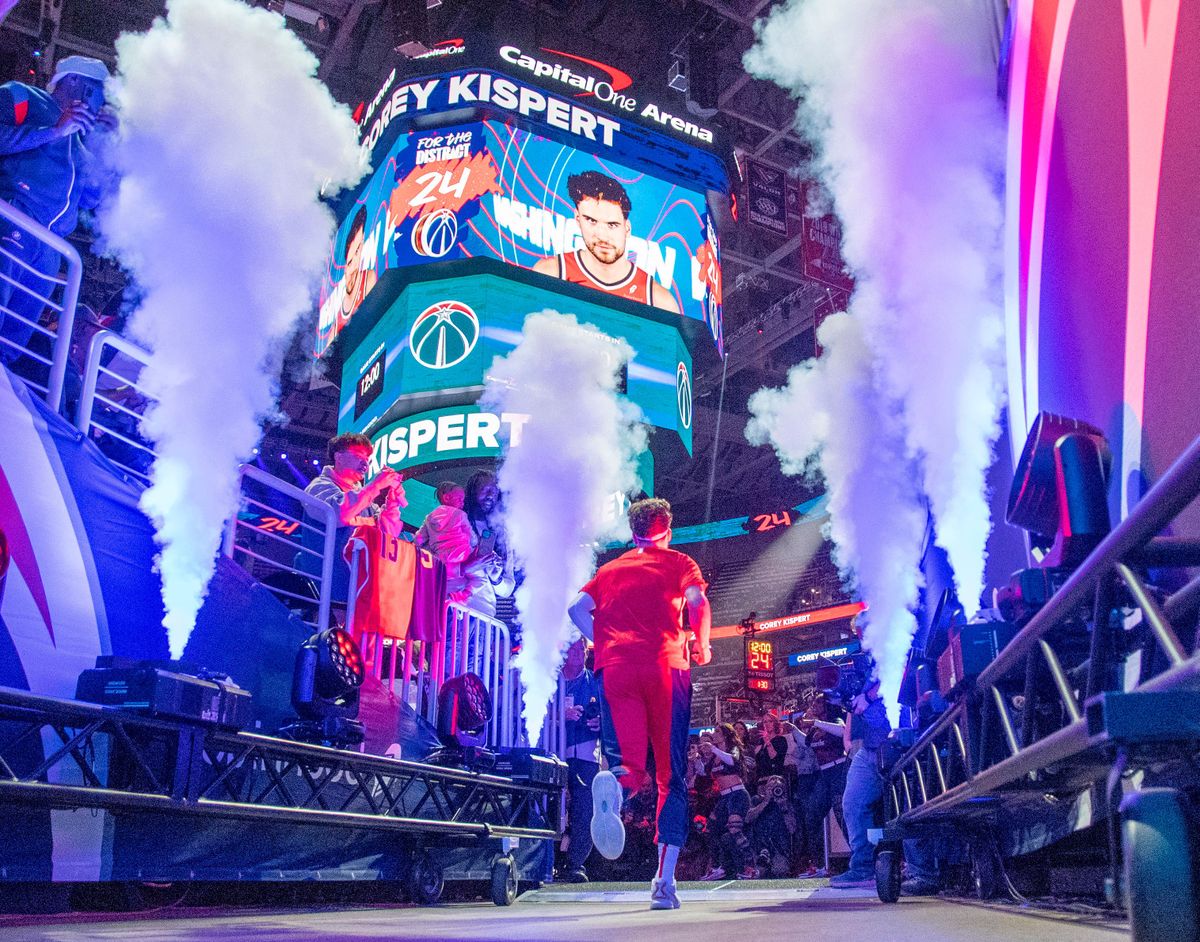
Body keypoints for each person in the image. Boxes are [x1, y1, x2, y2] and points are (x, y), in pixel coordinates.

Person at [567, 497, 712, 911]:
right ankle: (663, 885)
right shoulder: (681, 562)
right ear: (668, 528)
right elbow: (697, 603)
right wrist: (701, 644)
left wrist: (600, 640)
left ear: (633, 532)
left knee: (628, 765)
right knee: (670, 777)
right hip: (665, 669)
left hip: (615, 670)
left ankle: (616, 786)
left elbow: (577, 608)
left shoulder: (609, 569)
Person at [0, 55, 116, 366]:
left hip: (51, 248)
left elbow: (93, 199)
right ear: (75, 81)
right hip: (14, 220)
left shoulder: (80, 141)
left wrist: (103, 145)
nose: (102, 102)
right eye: (98, 91)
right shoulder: (23, 96)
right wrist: (53, 131)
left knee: (11, 343)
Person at [532, 171, 680, 314]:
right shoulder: (550, 273)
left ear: (627, 229)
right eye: (591, 221)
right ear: (578, 219)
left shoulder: (658, 301)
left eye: (612, 225)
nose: (602, 236)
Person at [300, 432, 404, 609]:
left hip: (358, 590)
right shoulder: (319, 487)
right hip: (325, 589)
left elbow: (388, 534)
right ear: (338, 457)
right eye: (358, 456)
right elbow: (340, 513)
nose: (365, 463)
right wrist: (376, 486)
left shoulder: (364, 498)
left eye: (367, 459)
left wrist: (393, 502)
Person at [828, 677, 891, 888]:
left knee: (908, 806)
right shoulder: (869, 662)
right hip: (870, 746)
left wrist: (869, 696)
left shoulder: (897, 645)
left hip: (899, 739)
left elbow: (901, 671)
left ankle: (922, 870)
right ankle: (863, 868)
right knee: (852, 803)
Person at [560, 637, 602, 883]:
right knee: (550, 805)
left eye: (583, 649)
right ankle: (546, 859)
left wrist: (601, 724)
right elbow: (532, 712)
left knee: (585, 809)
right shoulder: (551, 680)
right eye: (574, 648)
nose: (579, 653)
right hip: (554, 750)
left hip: (586, 754)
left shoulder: (594, 681)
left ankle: (576, 863)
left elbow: (610, 713)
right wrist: (560, 715)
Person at [700, 722, 757, 881]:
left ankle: (750, 866)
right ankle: (718, 867)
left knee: (735, 830)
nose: (714, 734)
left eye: (717, 731)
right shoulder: (715, 756)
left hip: (737, 794)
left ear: (725, 734)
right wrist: (697, 760)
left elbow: (733, 761)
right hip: (724, 797)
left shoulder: (734, 749)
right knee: (710, 828)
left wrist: (713, 749)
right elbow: (704, 773)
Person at [461, 470, 515, 619]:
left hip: (485, 616)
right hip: (454, 610)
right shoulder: (455, 522)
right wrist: (465, 568)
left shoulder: (501, 533)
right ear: (472, 491)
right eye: (485, 489)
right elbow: (436, 569)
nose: (491, 495)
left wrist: (496, 579)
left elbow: (507, 589)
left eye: (495, 491)